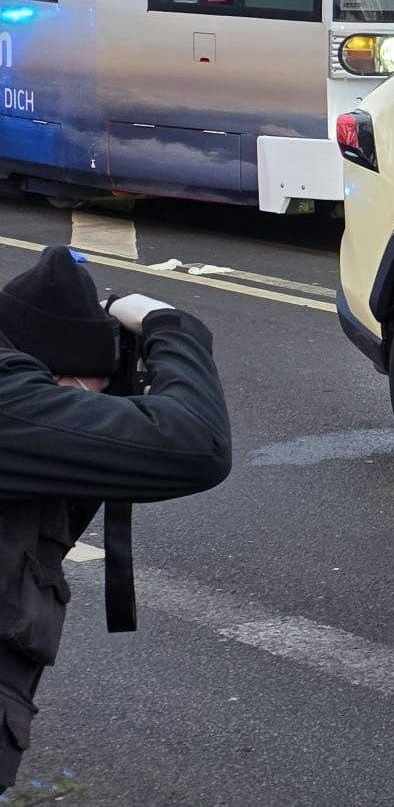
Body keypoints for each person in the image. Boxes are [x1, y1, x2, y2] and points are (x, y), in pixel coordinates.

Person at [0, 246, 231, 789]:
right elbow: (196, 445)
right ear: (56, 375)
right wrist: (173, 328)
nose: (90, 411)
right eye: (87, 398)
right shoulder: (12, 408)